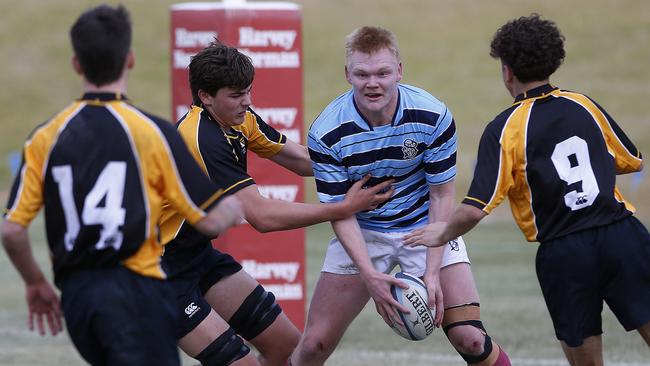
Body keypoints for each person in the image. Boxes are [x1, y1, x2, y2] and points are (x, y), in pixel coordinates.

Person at [0, 5, 245, 366]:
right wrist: (233, 209)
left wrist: (36, 282)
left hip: (79, 299)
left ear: (76, 64)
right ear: (129, 60)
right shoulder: (152, 132)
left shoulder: (45, 137)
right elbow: (209, 219)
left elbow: (11, 232)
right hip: (136, 292)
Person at [404, 13, 650, 365]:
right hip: (623, 235)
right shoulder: (584, 104)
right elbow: (633, 161)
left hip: (565, 252)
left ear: (507, 71)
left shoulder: (505, 128)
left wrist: (442, 232)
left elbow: (476, 206)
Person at [158, 41, 395, 366]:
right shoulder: (202, 139)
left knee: (286, 346)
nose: (247, 102)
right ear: (205, 96)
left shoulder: (238, 120)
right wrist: (341, 208)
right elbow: (261, 216)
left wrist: (367, 161)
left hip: (198, 256)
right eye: (237, 95)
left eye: (248, 91)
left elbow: (297, 158)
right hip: (161, 271)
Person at [291, 26, 511, 366]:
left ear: (399, 71)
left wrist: (432, 271)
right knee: (314, 345)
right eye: (362, 74)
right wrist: (369, 274)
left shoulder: (432, 115)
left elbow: (441, 194)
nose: (372, 83)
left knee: (469, 337)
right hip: (362, 231)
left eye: (382, 72)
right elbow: (340, 212)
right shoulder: (326, 132)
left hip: (425, 226)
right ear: (347, 74)